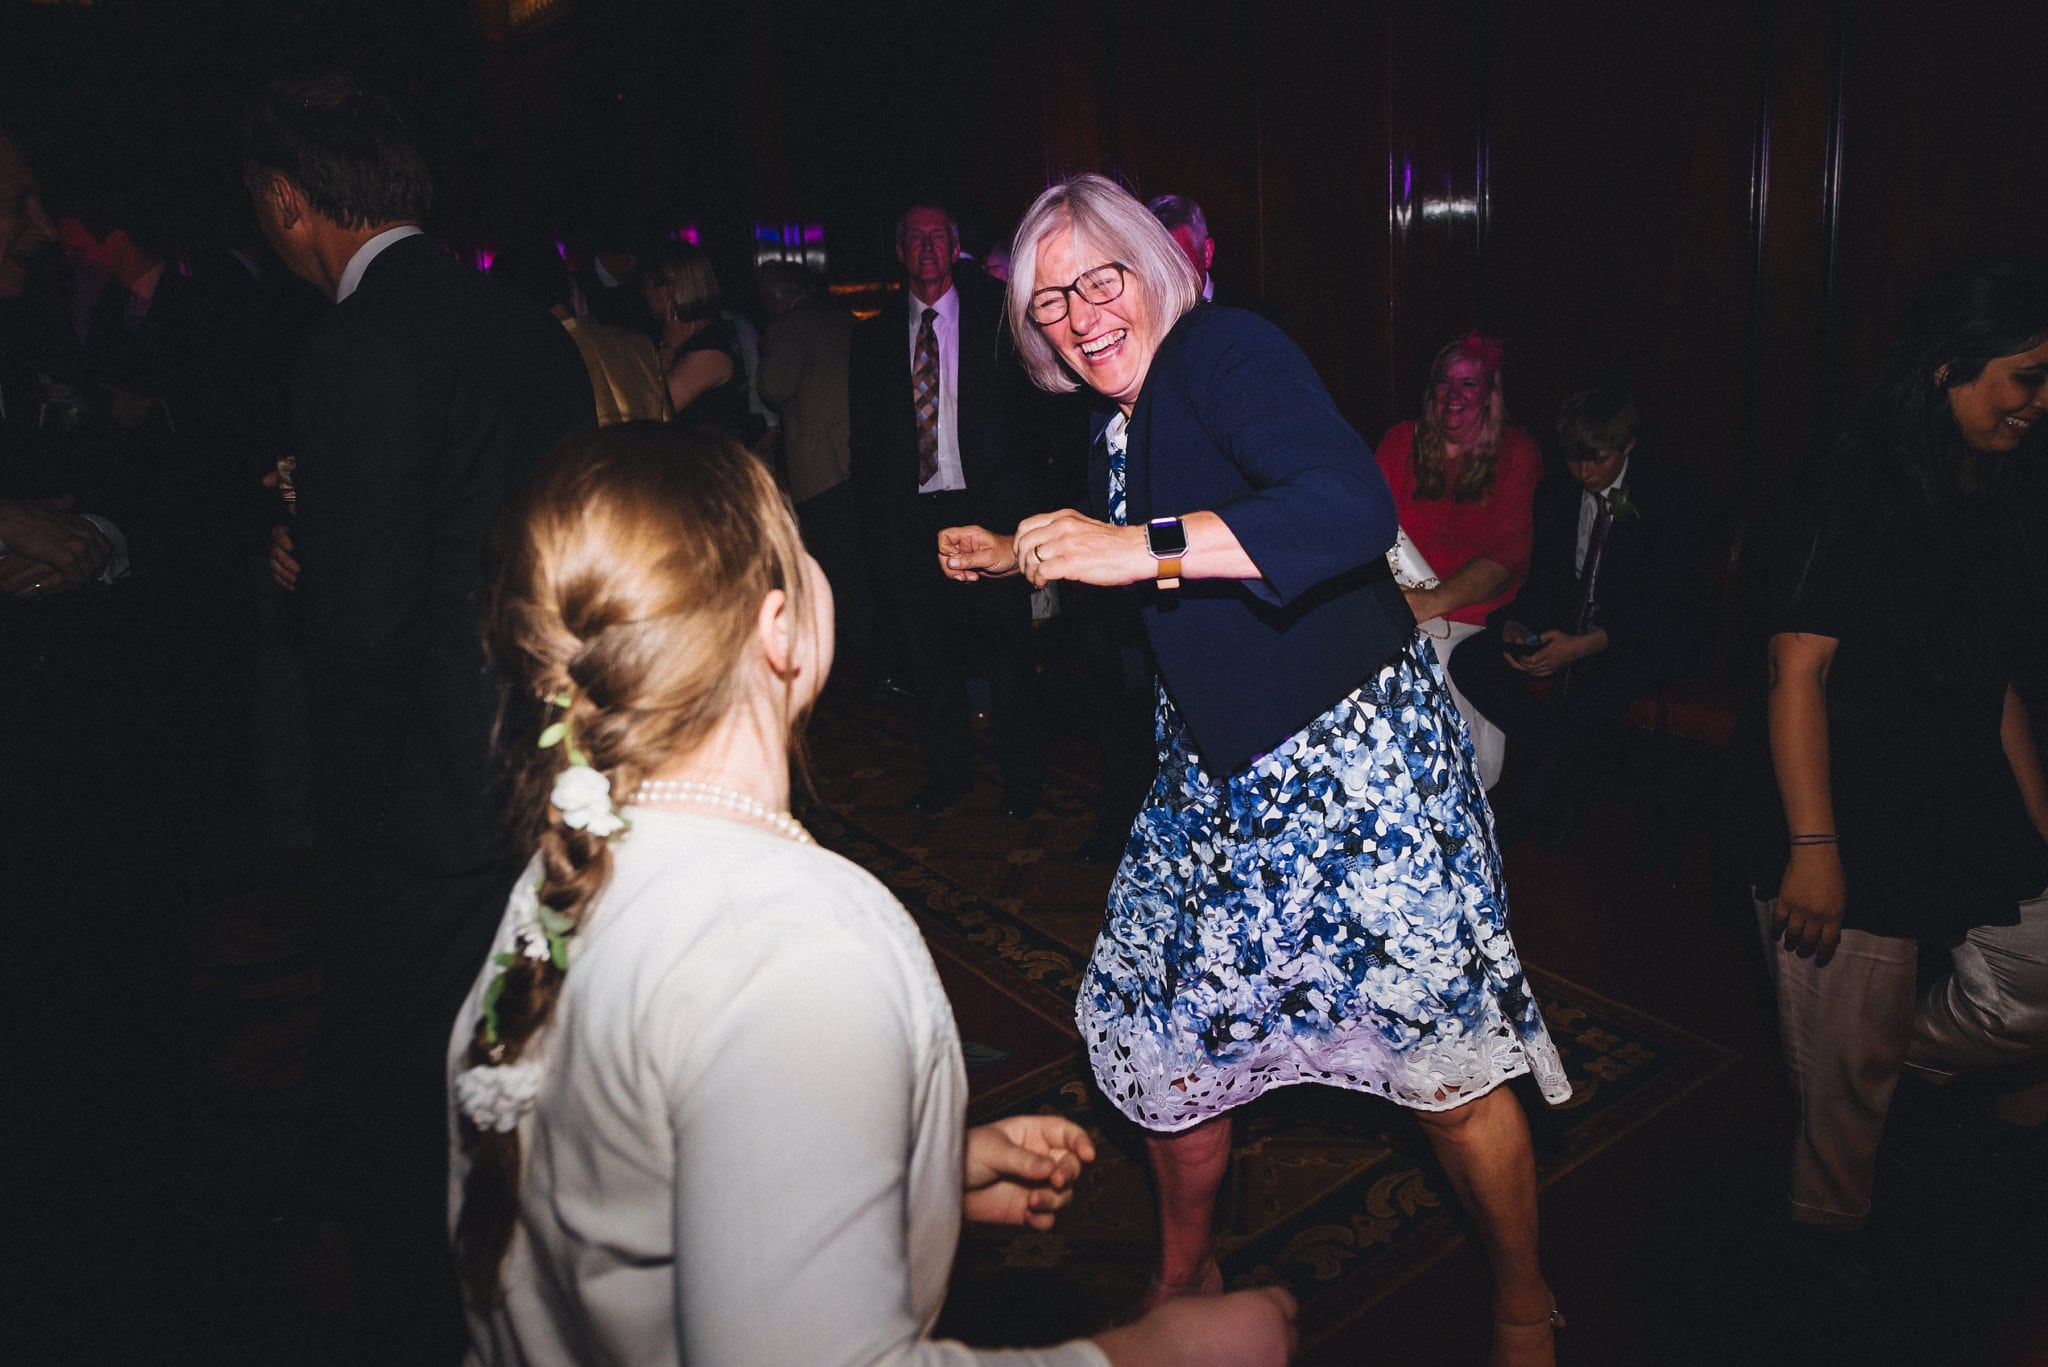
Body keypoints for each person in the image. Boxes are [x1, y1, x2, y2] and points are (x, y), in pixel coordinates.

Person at [449, 424, 1297, 1367]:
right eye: (800, 544)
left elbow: (627, 1198)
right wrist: (1161, 1355)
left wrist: (917, 1167)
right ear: (778, 631)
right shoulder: (793, 950)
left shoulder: (567, 871)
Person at [939, 174, 1571, 1367]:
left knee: (1440, 1064)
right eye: (1049, 300)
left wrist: (1131, 546)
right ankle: (1185, 1275)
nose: (1077, 316)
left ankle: (1523, 1293)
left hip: (1353, 772)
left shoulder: (1223, 346)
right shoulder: (1115, 414)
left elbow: (1338, 507)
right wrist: (1030, 545)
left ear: (1153, 266)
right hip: (1217, 774)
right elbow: (1167, 537)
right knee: (1174, 1038)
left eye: (1099, 278)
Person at [243, 76, 594, 1363]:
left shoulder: (353, 346)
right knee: (531, 1042)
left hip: (418, 790)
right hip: (549, 755)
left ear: (291, 205)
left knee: (403, 1090)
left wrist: (316, 578)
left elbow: (369, 626)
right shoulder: (529, 331)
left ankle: (434, 1318)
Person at [1749, 257, 2048, 1247]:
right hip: (1843, 806)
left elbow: (1989, 675)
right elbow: (1795, 673)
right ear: (1944, 370)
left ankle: (1876, 1053)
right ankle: (1820, 1258)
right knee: (1839, 1121)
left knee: (1882, 1047)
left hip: (1954, 797)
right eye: (2024, 376)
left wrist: (2041, 828)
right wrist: (1813, 844)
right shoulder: (1853, 475)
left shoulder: (1994, 481)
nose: (2037, 401)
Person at [848, 199, 1047, 819]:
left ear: (954, 245)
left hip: (988, 512)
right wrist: (878, 538)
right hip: (911, 520)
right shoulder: (873, 337)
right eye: (916, 238)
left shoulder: (998, 320)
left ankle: (1022, 782)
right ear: (901, 250)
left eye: (939, 236)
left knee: (1007, 656)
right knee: (928, 660)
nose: (928, 248)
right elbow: (867, 444)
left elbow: (1032, 418)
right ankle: (949, 774)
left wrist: (1024, 515)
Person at [1449, 387, 1695, 846]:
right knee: (1468, 661)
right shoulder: (1557, 492)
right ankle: (1556, 751)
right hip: (1566, 625)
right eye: (1574, 460)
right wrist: (1516, 624)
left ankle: (1531, 821)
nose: (1583, 473)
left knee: (1586, 700)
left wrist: (1587, 644)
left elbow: (1667, 606)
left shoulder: (1667, 497)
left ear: (1628, 447)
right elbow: (1545, 579)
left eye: (1597, 460)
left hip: (1632, 636)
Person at [1375, 333, 1542, 790]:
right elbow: (1367, 525)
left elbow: (1508, 555)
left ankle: (1454, 795)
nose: (1453, 395)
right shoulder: (1398, 442)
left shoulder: (1516, 452)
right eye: (1445, 382)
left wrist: (1433, 602)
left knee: (1430, 658)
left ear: (1489, 394)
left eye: (1468, 384)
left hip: (1470, 612)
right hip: (1398, 597)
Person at [642, 240, 756, 442]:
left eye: (648, 286)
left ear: (668, 291)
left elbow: (651, 410)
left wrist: (669, 347)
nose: (645, 294)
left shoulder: (708, 348)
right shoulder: (703, 335)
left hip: (708, 467)